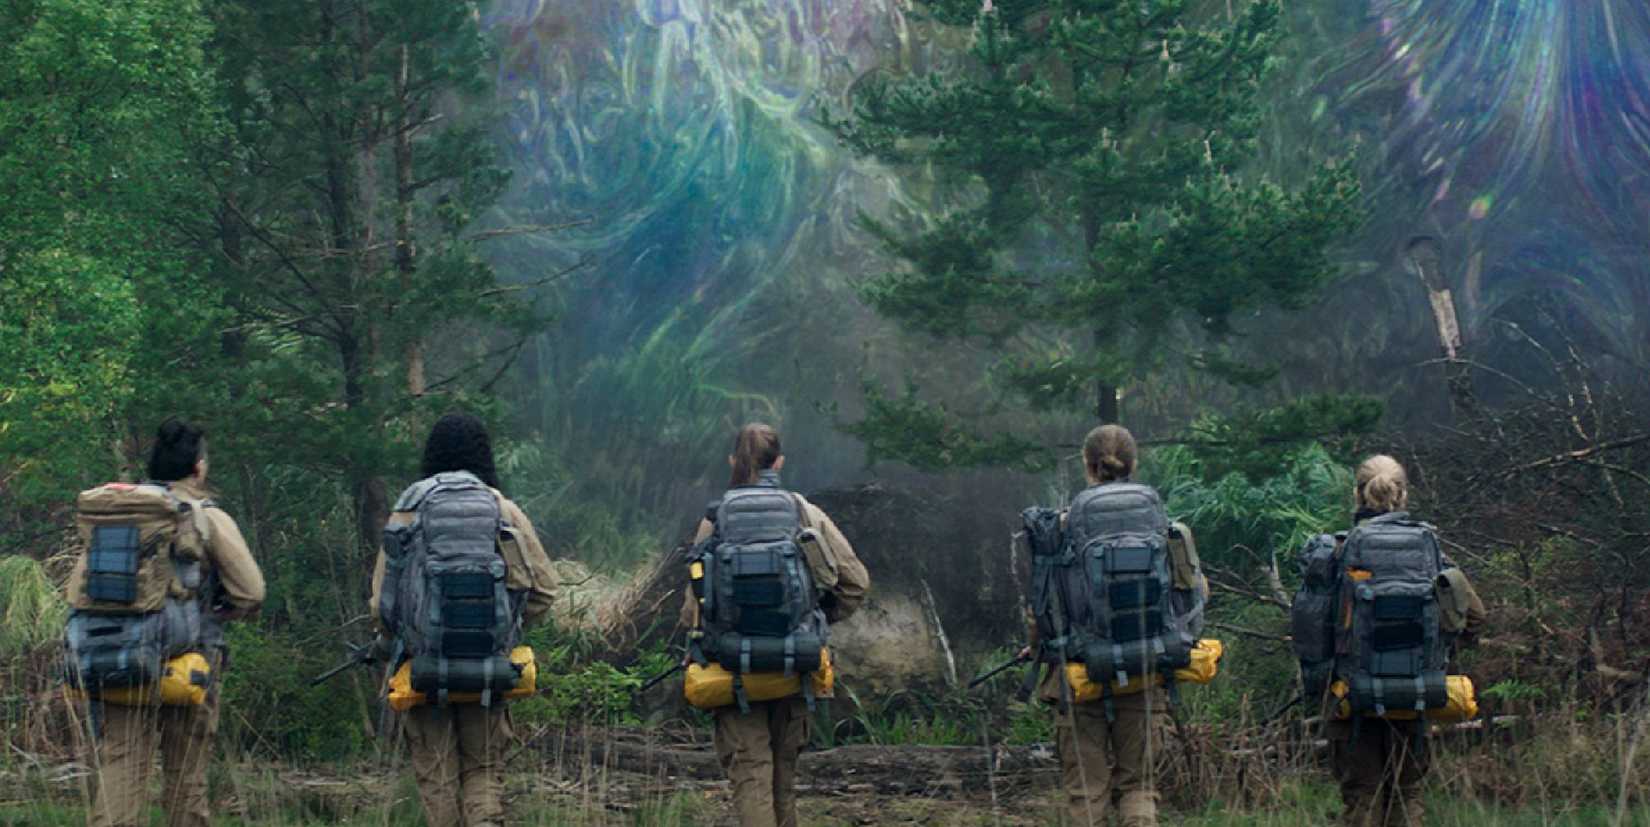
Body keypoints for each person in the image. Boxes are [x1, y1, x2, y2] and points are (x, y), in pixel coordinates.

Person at [369, 413, 557, 827]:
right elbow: (544, 590)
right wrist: (505, 630)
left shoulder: (408, 508)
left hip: (424, 667)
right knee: (484, 771)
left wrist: (398, 639)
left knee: (436, 775)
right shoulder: (500, 508)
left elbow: (382, 603)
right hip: (489, 669)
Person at [679, 423, 870, 827]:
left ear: (733, 461)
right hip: (795, 663)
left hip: (733, 669)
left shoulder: (716, 519)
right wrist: (814, 618)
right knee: (784, 779)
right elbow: (856, 584)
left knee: (751, 777)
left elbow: (692, 607)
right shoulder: (804, 513)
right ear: (779, 463)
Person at [1023, 424, 1207, 827]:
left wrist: (1038, 647)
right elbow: (1193, 597)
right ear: (1133, 463)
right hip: (1145, 671)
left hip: (1078, 675)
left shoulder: (1060, 528)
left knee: (1085, 794)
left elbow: (1041, 607)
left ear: (1087, 466)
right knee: (1140, 786)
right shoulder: (1165, 527)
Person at [86, 419, 266, 827]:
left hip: (117, 656)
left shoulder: (121, 511)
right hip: (188, 663)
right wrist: (223, 612)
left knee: (121, 762)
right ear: (199, 468)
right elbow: (251, 592)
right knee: (186, 770)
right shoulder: (205, 515)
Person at [1324, 455, 1485, 827]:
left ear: (1357, 494)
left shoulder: (1339, 551)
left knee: (1361, 797)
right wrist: (1439, 654)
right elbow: (1475, 616)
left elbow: (1312, 629)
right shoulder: (1429, 551)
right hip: (1415, 691)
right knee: (1407, 793)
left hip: (1352, 694)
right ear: (1404, 494)